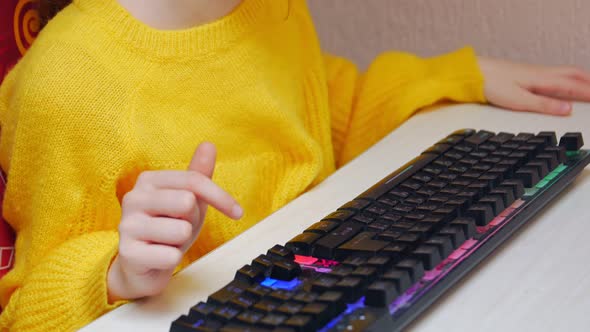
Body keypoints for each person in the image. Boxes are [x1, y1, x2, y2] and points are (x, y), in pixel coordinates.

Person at [1, 0, 590, 330]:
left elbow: (321, 111)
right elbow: (24, 310)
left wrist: (457, 76)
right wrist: (112, 274)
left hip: (321, 290)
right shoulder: (71, 83)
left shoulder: (270, 11)